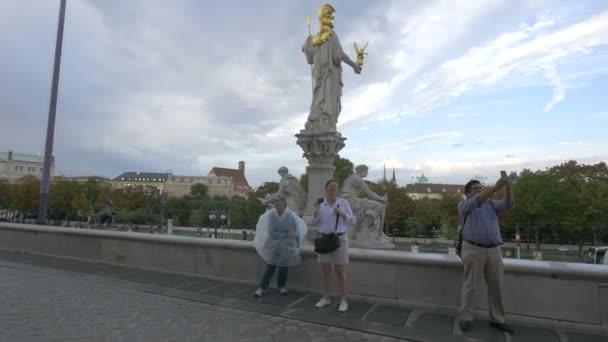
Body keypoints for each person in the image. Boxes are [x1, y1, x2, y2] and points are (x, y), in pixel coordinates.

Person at [458, 176, 514, 334]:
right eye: (475, 189)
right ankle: (466, 317)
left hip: (494, 250)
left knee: (496, 286)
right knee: (471, 285)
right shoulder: (465, 205)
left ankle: (498, 319)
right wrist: (495, 188)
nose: (480, 190)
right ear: (468, 193)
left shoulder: (491, 205)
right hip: (473, 249)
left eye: (480, 188)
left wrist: (508, 188)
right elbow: (478, 200)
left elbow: (508, 204)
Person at [302, 4, 361, 132]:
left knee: (319, 94)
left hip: (319, 74)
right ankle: (324, 121)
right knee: (326, 95)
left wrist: (306, 45)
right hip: (329, 74)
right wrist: (354, 65)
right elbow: (339, 54)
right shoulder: (331, 36)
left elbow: (308, 54)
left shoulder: (315, 39)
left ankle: (315, 120)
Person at [312, 179, 356, 312]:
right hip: (324, 240)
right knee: (325, 270)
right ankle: (326, 298)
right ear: (326, 189)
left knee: (339, 270)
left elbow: (353, 220)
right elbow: (315, 223)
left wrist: (342, 214)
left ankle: (343, 300)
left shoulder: (343, 203)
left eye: (336, 187)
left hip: (339, 239)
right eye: (331, 187)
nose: (333, 189)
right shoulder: (321, 204)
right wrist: (315, 215)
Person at [253, 194, 307, 297]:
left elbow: (295, 231)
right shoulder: (271, 215)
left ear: (284, 203)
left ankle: (282, 286)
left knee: (284, 266)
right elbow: (271, 231)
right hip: (274, 243)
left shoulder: (290, 215)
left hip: (287, 244)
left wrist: (297, 245)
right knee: (271, 266)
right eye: (275, 201)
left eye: (279, 201)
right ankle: (262, 288)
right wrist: (286, 234)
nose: (277, 203)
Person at [341, 165, 391, 247]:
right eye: (366, 171)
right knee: (378, 206)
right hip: (351, 200)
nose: (367, 173)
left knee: (373, 209)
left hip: (348, 200)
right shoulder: (357, 179)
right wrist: (381, 199)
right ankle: (366, 228)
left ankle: (373, 230)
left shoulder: (351, 177)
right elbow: (369, 192)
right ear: (362, 171)